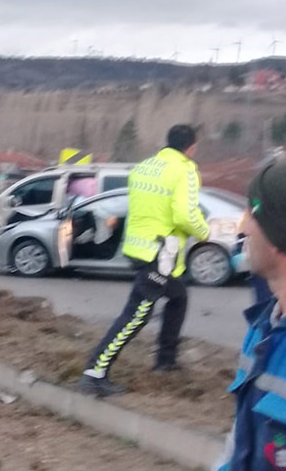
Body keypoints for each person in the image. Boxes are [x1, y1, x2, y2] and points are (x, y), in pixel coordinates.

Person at [78, 124, 210, 397]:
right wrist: (204, 231)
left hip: (139, 247)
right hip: (159, 253)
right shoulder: (185, 170)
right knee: (136, 315)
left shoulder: (144, 167)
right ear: (191, 147)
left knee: (178, 297)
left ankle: (165, 361)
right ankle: (94, 373)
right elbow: (184, 214)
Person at [213, 160, 286, 471]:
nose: (243, 228)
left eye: (252, 215)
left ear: (279, 235)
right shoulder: (263, 329)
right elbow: (238, 446)